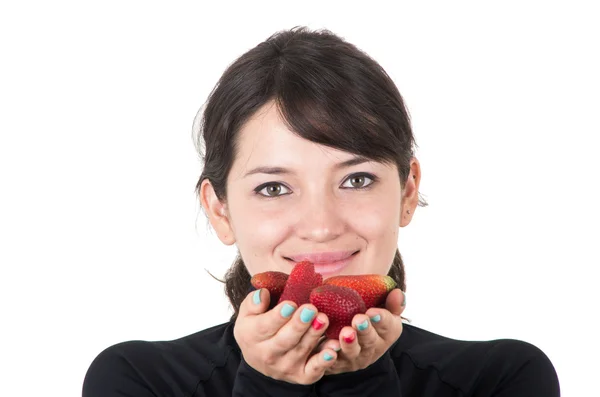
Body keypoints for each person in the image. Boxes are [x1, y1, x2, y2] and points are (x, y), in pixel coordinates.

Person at [82, 26, 560, 396]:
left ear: (408, 191)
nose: (321, 225)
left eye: (356, 179)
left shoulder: (502, 379)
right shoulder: (135, 380)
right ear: (220, 210)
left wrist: (363, 380)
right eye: (273, 187)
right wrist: (269, 383)